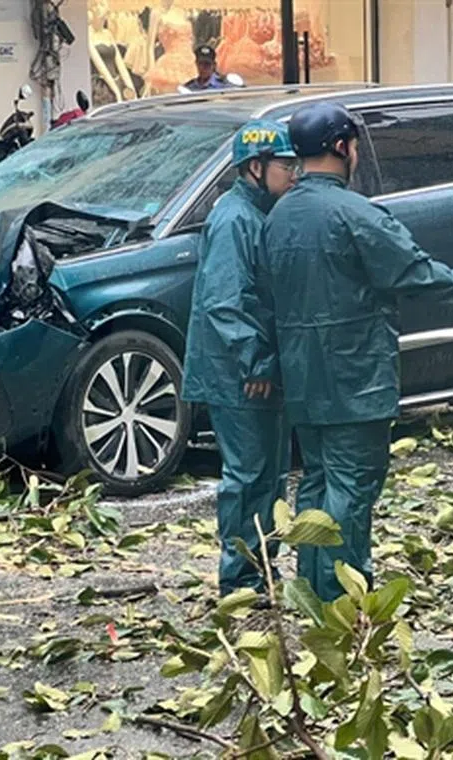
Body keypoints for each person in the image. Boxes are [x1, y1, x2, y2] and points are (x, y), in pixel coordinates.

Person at [260, 102, 453, 602]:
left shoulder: (279, 216)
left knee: (317, 483)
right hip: (356, 377)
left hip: (304, 377)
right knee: (352, 489)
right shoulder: (355, 213)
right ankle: (344, 597)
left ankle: (311, 588)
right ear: (342, 147)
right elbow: (409, 268)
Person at [181, 119, 299, 599]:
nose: (293, 174)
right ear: (256, 167)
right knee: (248, 477)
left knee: (270, 476)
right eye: (285, 164)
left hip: (255, 369)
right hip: (238, 375)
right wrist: (255, 361)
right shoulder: (234, 219)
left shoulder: (257, 213)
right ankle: (240, 579)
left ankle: (262, 571)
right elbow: (225, 301)